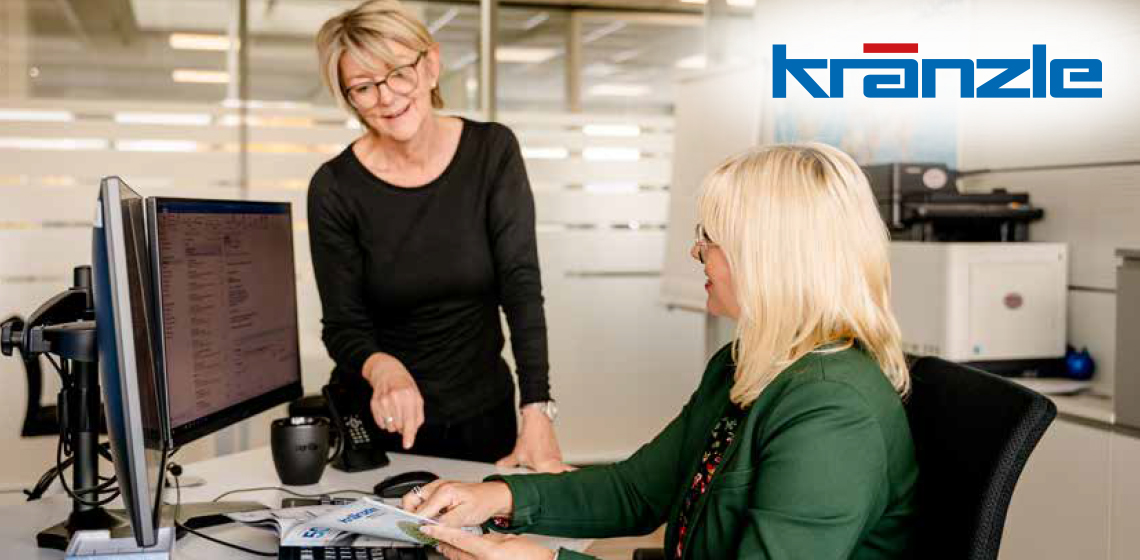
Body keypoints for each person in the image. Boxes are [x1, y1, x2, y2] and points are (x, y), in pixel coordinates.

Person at [402, 143, 919, 560]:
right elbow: (637, 490)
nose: (696, 251)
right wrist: (495, 496)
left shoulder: (833, 410)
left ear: (768, 257)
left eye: (710, 237)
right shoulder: (747, 365)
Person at [308, 0, 567, 472]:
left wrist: (537, 409)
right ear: (349, 99)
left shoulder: (492, 151)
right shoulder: (334, 187)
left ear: (430, 65)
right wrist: (381, 366)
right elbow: (343, 325)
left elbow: (521, 286)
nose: (386, 97)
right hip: (382, 424)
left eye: (398, 73)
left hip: (483, 415)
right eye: (363, 87)